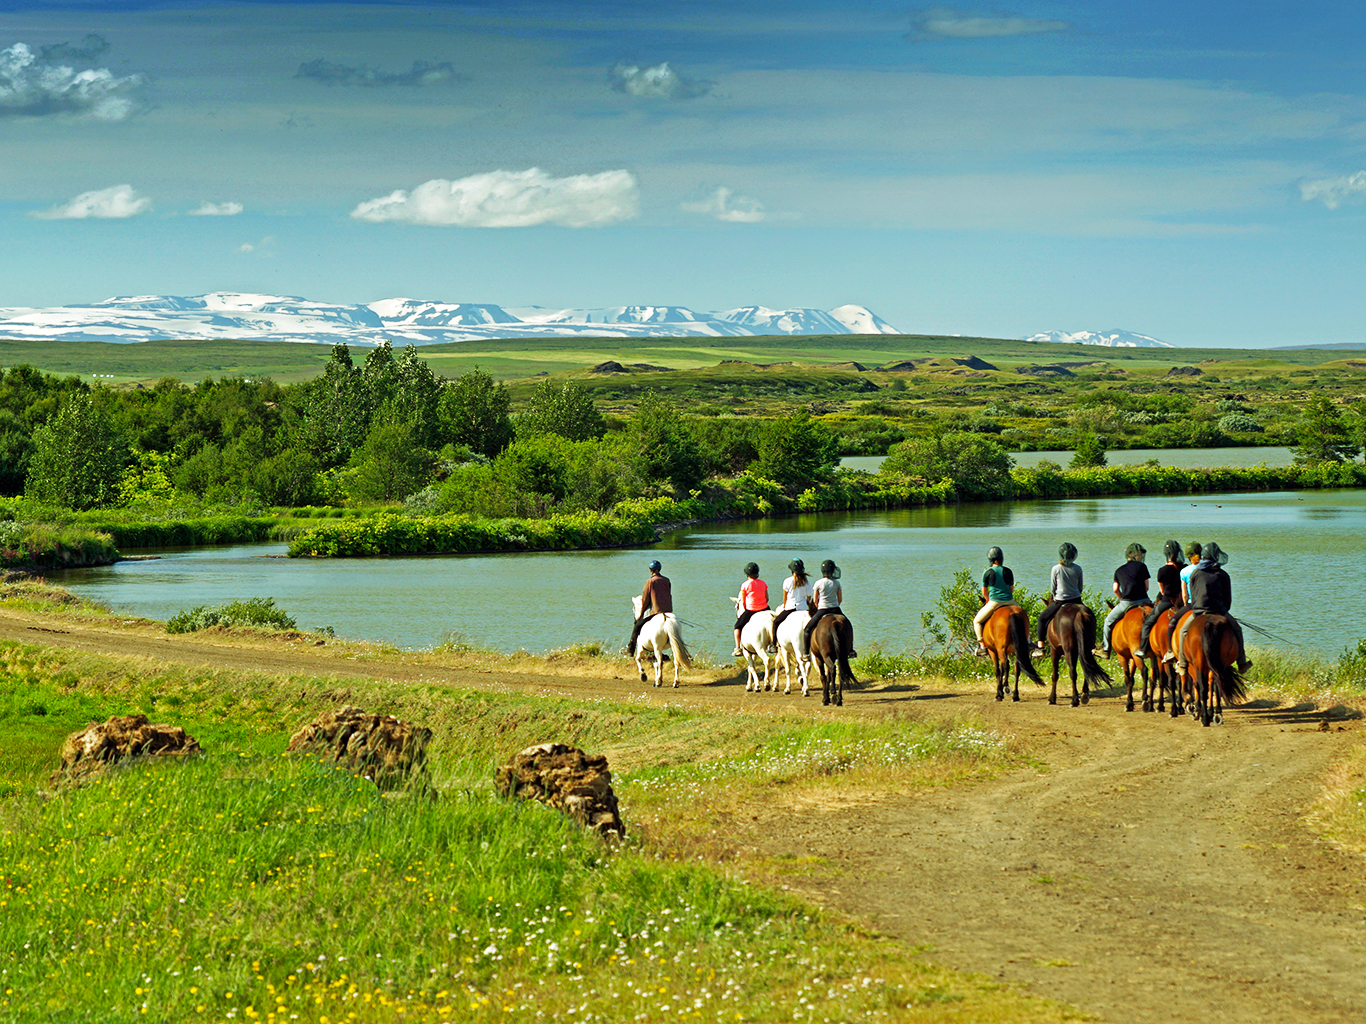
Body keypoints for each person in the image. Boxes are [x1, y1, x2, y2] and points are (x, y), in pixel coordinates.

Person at [1171, 541, 1252, 674]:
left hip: (1198, 611)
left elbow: (1194, 595)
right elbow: (1228, 599)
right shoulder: (1223, 574)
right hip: (1219, 610)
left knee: (1183, 631)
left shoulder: (1195, 573)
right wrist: (1223, 610)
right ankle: (1242, 662)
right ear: (1215, 556)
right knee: (1237, 629)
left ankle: (1183, 664)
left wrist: (1197, 609)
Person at [1101, 542, 1151, 657]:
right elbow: (1147, 587)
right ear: (1132, 554)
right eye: (1139, 554)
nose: (1141, 557)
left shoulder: (1119, 570)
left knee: (1108, 621)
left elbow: (1115, 589)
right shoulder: (1142, 566)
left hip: (1126, 602)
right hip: (1144, 600)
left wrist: (1121, 599)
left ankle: (1106, 649)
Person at [1136, 540, 1184, 658]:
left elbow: (1162, 591)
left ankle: (1143, 649)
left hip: (1167, 601)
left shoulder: (1162, 570)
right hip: (1182, 602)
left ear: (1166, 554)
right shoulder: (1184, 568)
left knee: (1148, 622)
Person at [802, 559, 855, 657]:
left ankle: (806, 653)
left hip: (823, 609)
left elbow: (814, 600)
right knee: (849, 626)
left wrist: (818, 607)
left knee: (807, 629)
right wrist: (835, 604)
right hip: (835, 608)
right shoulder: (837, 583)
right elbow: (840, 599)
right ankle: (851, 650)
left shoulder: (818, 583)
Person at [1035, 542, 1083, 650]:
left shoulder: (1056, 568)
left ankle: (1040, 647)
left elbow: (1053, 587)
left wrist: (1056, 595)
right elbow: (1080, 587)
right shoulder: (1078, 568)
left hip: (1061, 600)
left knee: (1042, 619)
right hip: (1076, 599)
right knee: (1089, 616)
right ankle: (1092, 645)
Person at [973, 546, 1017, 652]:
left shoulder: (987, 573)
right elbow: (1011, 589)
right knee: (1023, 616)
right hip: (1010, 601)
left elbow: (984, 592)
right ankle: (1028, 641)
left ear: (990, 559)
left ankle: (982, 647)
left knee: (977, 622)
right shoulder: (1008, 571)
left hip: (994, 602)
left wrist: (988, 599)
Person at [626, 559, 672, 656]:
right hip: (668, 611)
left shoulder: (650, 581)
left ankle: (630, 650)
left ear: (651, 570)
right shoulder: (667, 580)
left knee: (637, 626)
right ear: (660, 569)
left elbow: (645, 600)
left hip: (656, 612)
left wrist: (641, 614)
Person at [1165, 539, 1204, 654]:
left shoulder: (1185, 571)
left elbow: (1184, 594)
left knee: (1173, 623)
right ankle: (1239, 658)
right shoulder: (1207, 568)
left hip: (1193, 605)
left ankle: (1172, 653)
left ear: (1188, 556)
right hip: (1210, 604)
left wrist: (1186, 606)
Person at [767, 558, 813, 654]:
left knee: (776, 622)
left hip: (790, 607)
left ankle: (774, 645)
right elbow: (809, 597)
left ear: (792, 570)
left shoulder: (787, 581)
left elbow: (785, 597)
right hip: (803, 608)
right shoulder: (806, 582)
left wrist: (784, 606)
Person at [732, 562, 770, 657]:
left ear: (747, 574)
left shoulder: (744, 585)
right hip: (765, 608)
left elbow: (743, 601)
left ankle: (738, 648)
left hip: (751, 610)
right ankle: (774, 645)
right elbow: (767, 598)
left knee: (737, 627)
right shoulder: (763, 583)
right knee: (774, 622)